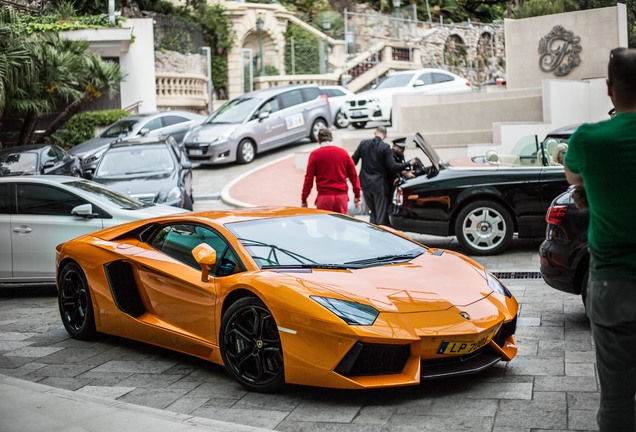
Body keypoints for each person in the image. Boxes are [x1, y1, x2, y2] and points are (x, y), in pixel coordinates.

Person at [564, 47, 636, 432]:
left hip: (612, 285)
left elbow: (574, 179)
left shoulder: (589, 139)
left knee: (617, 398)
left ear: (610, 89)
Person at [351, 126, 413, 225]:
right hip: (379, 186)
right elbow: (392, 166)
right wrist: (409, 164)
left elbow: (352, 161)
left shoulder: (363, 144)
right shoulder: (385, 147)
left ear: (374, 132)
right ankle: (380, 236)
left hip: (365, 184)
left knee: (373, 212)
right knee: (381, 215)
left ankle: (372, 236)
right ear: (386, 135)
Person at [301, 128, 361, 214]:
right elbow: (354, 176)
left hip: (324, 197)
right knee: (341, 225)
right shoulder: (343, 153)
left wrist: (304, 198)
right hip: (341, 197)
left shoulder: (315, 155)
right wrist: (357, 195)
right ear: (331, 139)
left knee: (325, 226)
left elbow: (308, 179)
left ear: (319, 140)